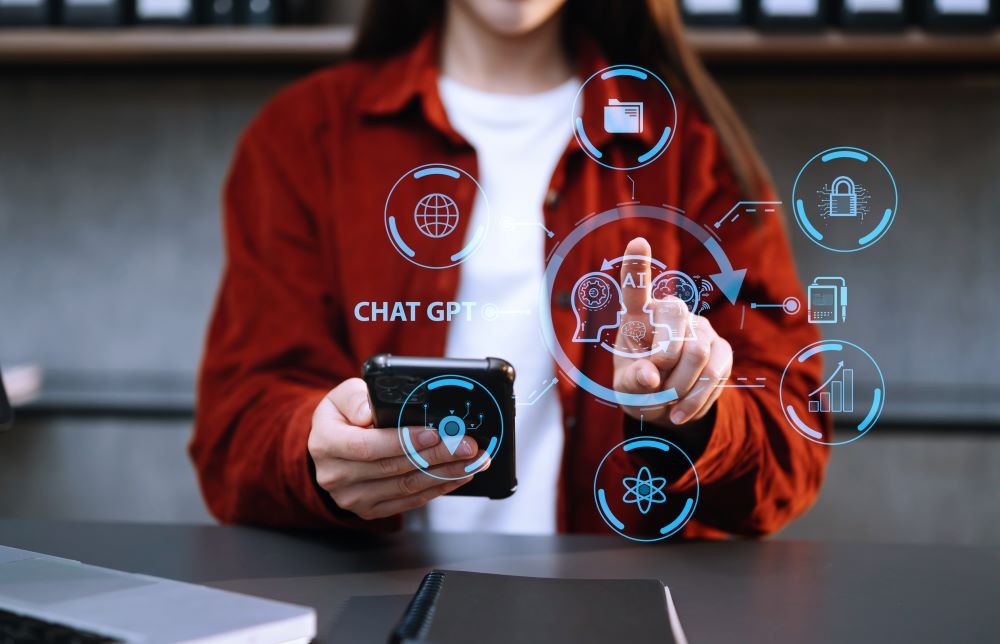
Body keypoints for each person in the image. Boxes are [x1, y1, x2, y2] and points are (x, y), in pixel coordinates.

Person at [189, 0, 829, 539]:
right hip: (376, 609)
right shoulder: (305, 136)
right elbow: (234, 430)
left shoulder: (690, 151)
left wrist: (695, 410)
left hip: (611, 617)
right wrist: (314, 449)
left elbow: (792, 446)